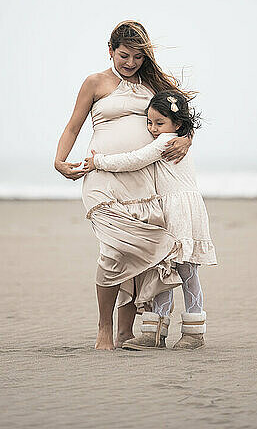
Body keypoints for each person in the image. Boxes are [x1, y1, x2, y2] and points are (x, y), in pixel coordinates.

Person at [54, 21, 194, 350]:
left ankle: (125, 332)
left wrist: (186, 139)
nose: (130, 63)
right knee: (115, 251)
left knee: (139, 255)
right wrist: (59, 161)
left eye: (137, 58)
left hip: (144, 182)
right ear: (110, 50)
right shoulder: (95, 82)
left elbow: (184, 121)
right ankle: (105, 328)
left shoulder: (157, 84)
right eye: (124, 56)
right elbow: (73, 125)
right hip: (101, 178)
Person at [83, 90, 218, 350]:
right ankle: (156, 331)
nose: (153, 129)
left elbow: (135, 160)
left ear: (176, 124)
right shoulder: (173, 135)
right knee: (165, 269)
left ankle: (194, 332)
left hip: (180, 211)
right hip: (171, 208)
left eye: (159, 123)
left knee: (186, 270)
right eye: (150, 122)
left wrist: (97, 162)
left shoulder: (167, 141)